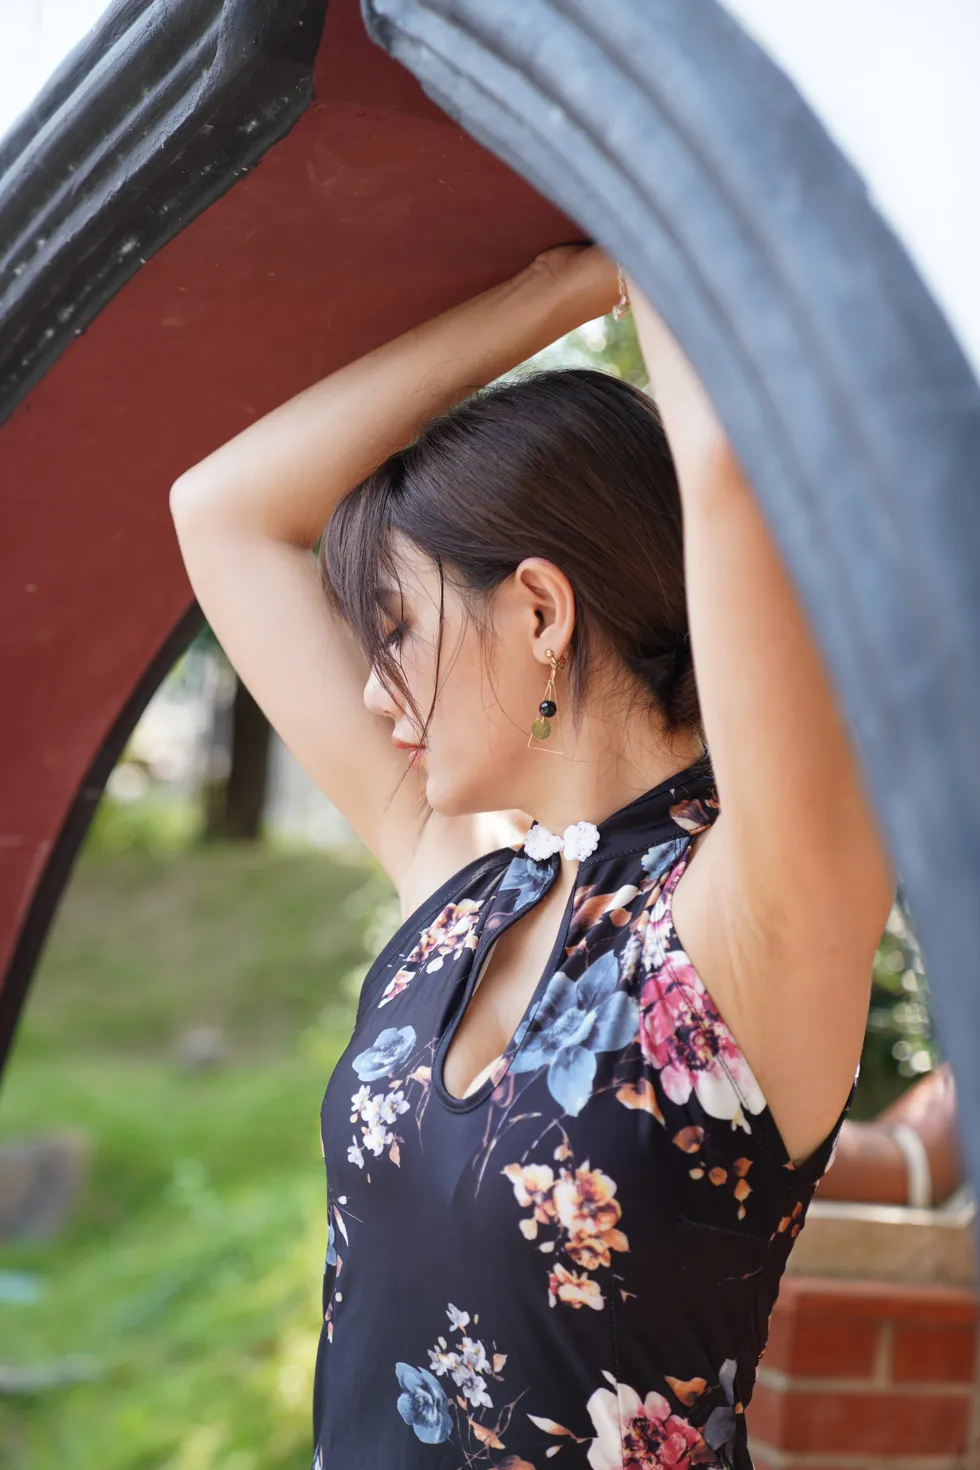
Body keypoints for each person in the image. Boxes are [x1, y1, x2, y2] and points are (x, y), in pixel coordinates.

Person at [169, 245, 895, 1469]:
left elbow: (726, 481)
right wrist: (564, 287)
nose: (368, 686)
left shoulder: (746, 910)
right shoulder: (459, 882)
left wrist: (655, 239)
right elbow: (222, 510)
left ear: (543, 613)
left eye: (393, 628)